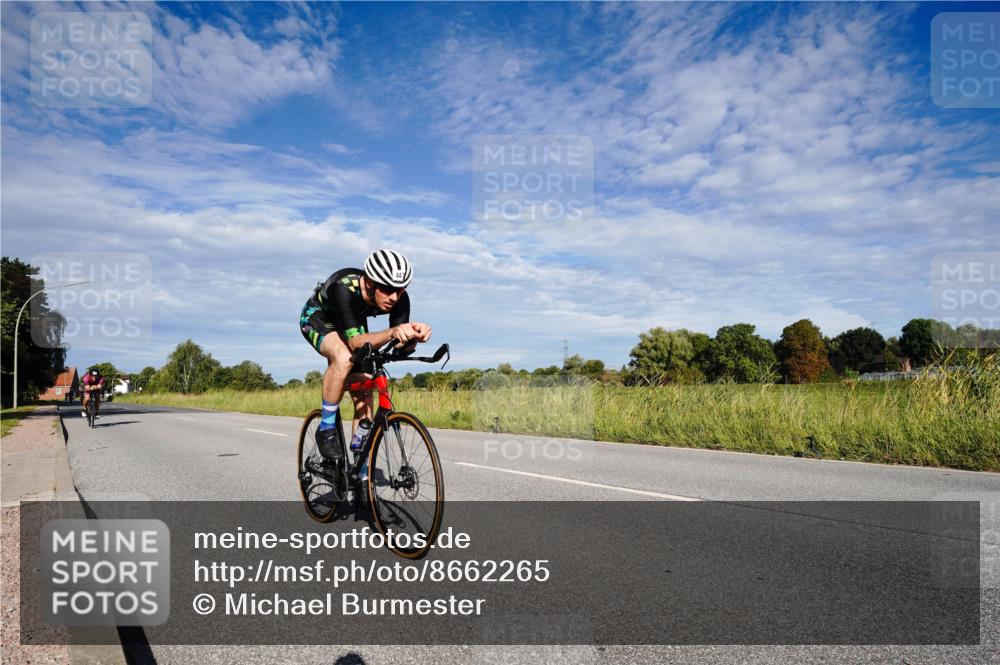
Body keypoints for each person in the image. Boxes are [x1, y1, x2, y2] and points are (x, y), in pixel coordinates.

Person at [299, 250, 432, 463]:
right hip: (319, 318)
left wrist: (414, 336)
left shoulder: (399, 298)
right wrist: (392, 332)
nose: (394, 297)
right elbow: (355, 343)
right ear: (370, 282)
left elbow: (399, 344)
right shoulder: (342, 287)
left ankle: (361, 471)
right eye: (387, 289)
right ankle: (326, 427)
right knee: (343, 356)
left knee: (365, 392)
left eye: (400, 290)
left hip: (353, 321)